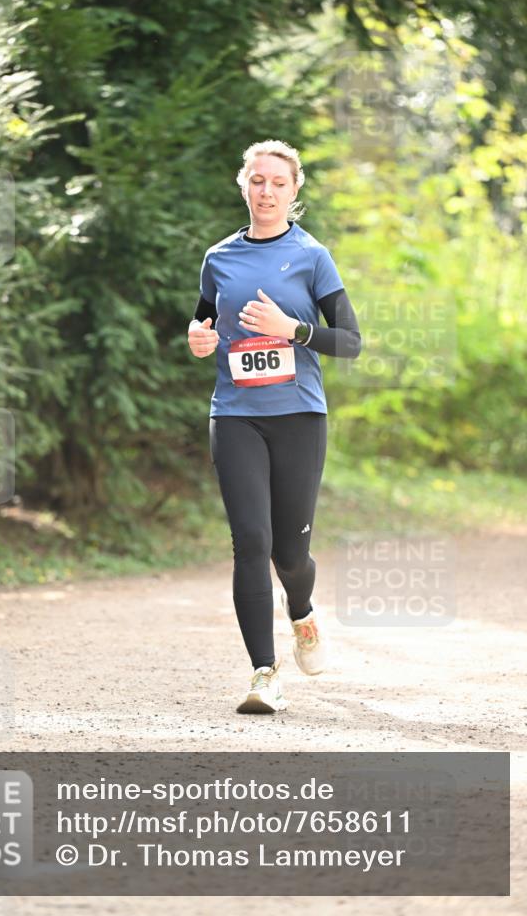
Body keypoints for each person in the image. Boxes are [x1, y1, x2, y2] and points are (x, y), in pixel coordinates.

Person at [188, 139, 362, 714]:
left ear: (294, 190)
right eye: (257, 181)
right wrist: (199, 339)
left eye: (278, 183)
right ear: (244, 185)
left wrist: (293, 329)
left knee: (290, 553)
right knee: (251, 542)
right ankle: (264, 673)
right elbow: (202, 323)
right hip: (235, 415)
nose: (266, 191)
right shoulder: (219, 258)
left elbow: (350, 342)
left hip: (298, 417)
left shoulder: (312, 256)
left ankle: (303, 612)